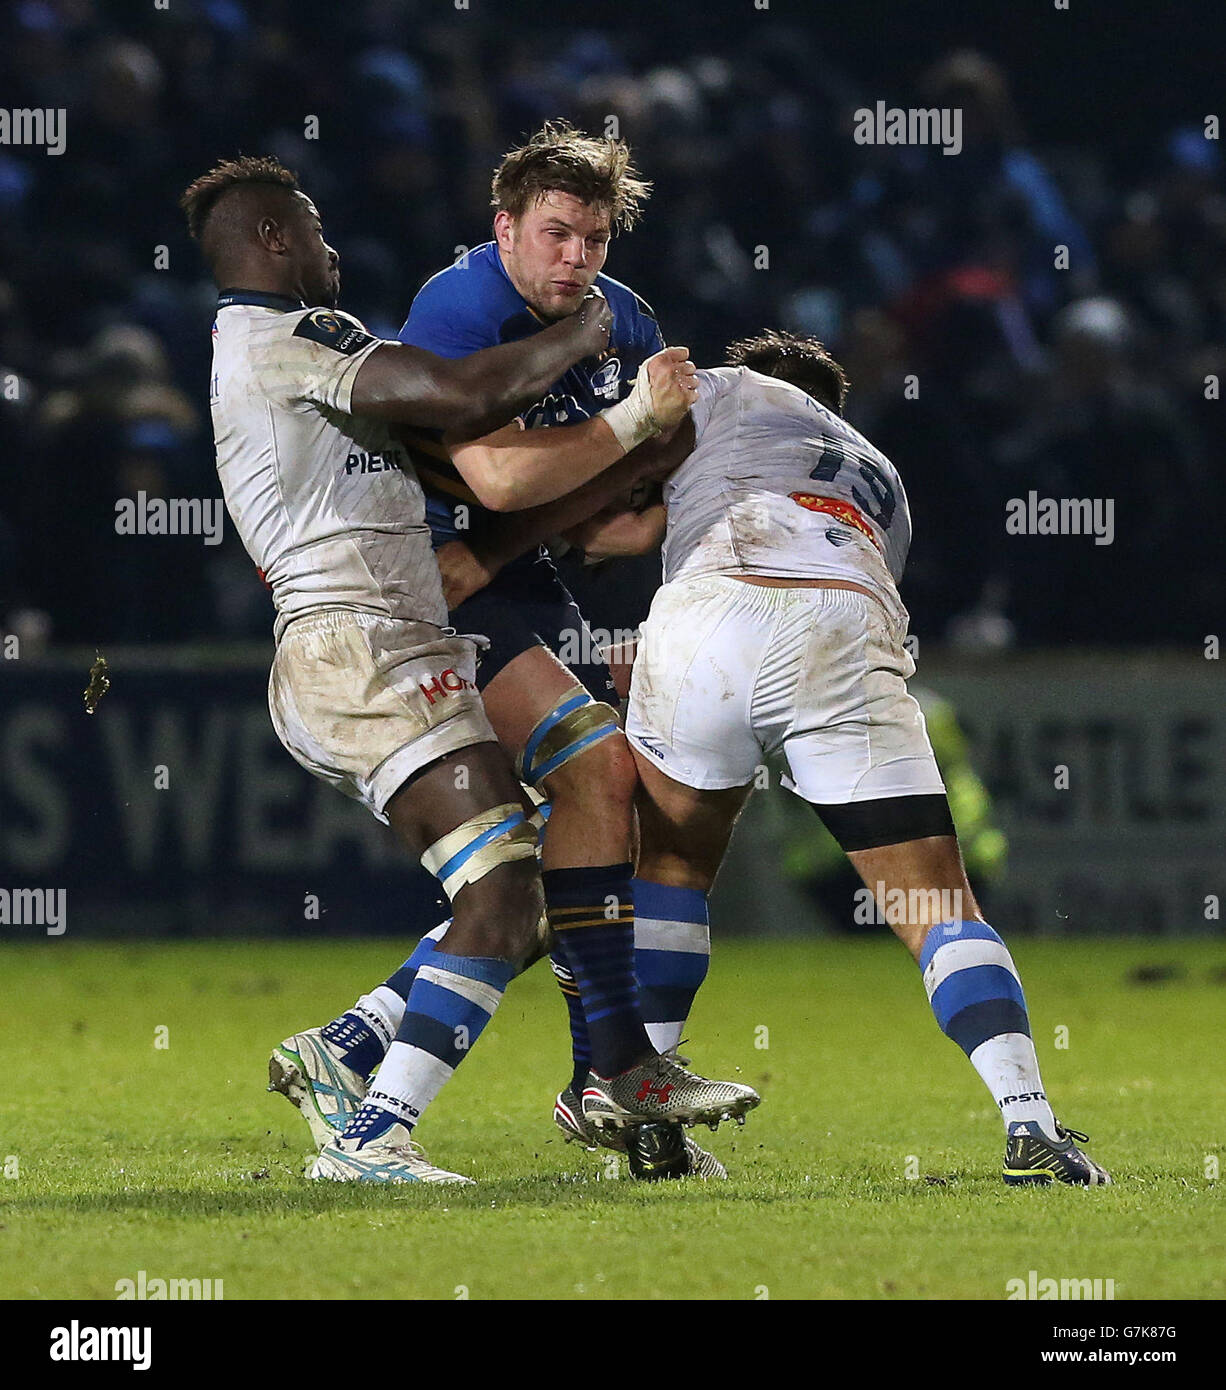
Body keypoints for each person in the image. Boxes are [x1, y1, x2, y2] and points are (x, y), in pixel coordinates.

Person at [182, 153, 756, 1183]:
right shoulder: (282, 341)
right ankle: (383, 1134)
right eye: (312, 228)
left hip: (397, 639)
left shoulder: (312, 341)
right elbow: (459, 408)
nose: (333, 247)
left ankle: (369, 1055)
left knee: (543, 863)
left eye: (595, 243)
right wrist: (598, 364)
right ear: (273, 239)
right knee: (509, 876)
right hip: (355, 649)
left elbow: (463, 457)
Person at [563, 329, 1111, 1187]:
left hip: (709, 607)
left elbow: (609, 478)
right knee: (937, 905)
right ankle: (1029, 1125)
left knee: (670, 866)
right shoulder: (883, 479)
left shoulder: (720, 390)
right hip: (840, 616)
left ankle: (650, 1124)